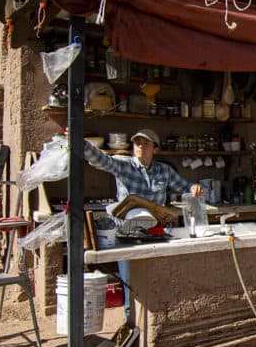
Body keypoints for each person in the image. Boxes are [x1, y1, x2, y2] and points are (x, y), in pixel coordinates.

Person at [82, 128, 202, 319]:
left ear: (155, 148)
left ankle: (157, 320)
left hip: (155, 233)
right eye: (137, 143)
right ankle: (131, 324)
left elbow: (185, 187)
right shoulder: (123, 165)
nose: (141, 147)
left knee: (156, 280)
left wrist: (194, 188)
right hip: (127, 235)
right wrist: (82, 144)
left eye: (146, 143)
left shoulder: (164, 170)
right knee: (131, 283)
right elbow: (100, 159)